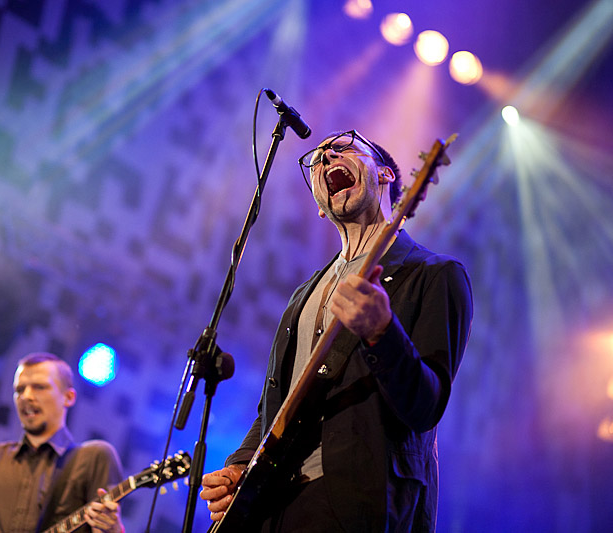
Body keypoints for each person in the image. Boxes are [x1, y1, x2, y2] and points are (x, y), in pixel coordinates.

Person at [200, 130, 473, 532]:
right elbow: (275, 405)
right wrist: (240, 465)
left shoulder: (434, 275)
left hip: (356, 503)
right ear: (320, 209)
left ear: (384, 175)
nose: (326, 156)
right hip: (275, 508)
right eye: (316, 159)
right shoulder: (301, 295)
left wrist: (383, 332)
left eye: (344, 146)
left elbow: (426, 406)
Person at [0, 352, 125, 533]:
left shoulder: (94, 457)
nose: (26, 396)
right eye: (19, 390)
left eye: (39, 387)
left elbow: (105, 526)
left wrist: (113, 529)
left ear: (69, 397)